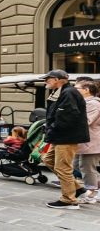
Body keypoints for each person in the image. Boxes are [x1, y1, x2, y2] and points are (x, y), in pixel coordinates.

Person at [42, 70, 89, 209]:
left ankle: (69, 200)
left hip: (65, 136)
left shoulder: (68, 92)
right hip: (59, 136)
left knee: (63, 168)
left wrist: (51, 129)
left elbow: (67, 116)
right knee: (48, 159)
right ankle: (77, 188)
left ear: (57, 79)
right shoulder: (60, 91)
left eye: (48, 79)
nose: (45, 82)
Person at [75, 78, 100, 205]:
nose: (74, 90)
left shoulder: (93, 104)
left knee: (87, 168)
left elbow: (87, 121)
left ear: (86, 90)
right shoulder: (86, 102)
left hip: (91, 142)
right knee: (80, 166)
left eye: (77, 88)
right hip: (85, 142)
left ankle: (92, 194)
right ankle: (94, 188)